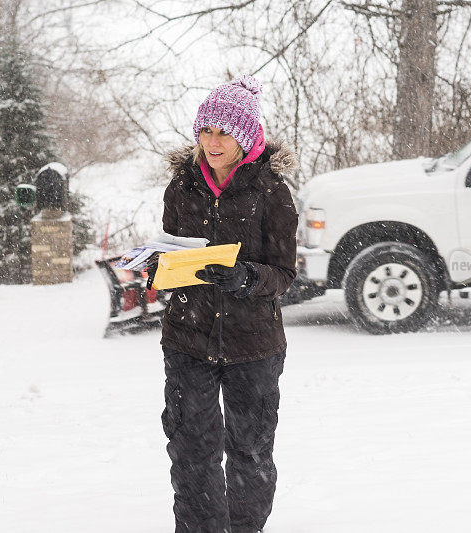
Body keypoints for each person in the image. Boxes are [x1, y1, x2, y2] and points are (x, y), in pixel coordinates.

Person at [153, 75, 298, 533]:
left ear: (245, 137)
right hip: (188, 338)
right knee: (191, 450)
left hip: (252, 343)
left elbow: (284, 274)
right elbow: (171, 248)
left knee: (250, 452)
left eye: (223, 133)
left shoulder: (272, 193)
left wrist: (247, 277)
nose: (212, 143)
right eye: (205, 131)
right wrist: (160, 265)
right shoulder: (182, 186)